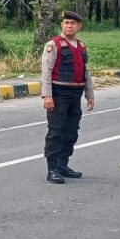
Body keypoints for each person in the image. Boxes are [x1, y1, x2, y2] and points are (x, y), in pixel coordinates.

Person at [40, 11, 95, 184]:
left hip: (75, 94)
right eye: (66, 23)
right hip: (58, 93)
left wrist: (89, 94)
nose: (69, 26)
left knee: (71, 132)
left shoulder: (81, 46)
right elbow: (46, 72)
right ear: (62, 25)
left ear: (79, 26)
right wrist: (47, 96)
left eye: (72, 23)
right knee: (56, 131)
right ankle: (53, 169)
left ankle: (63, 165)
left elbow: (85, 71)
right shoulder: (54, 44)